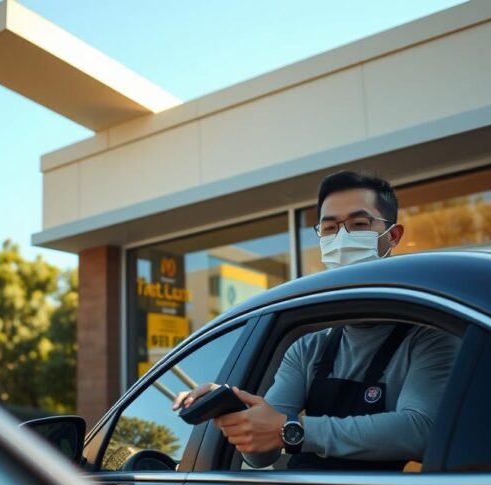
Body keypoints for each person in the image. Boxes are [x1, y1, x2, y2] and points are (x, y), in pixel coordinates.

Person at [172, 171, 461, 470]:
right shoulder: (307, 349)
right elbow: (261, 455)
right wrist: (238, 412)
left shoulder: (430, 338)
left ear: (393, 236)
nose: (342, 238)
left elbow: (421, 431)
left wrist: (292, 431)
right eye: (330, 228)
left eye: (359, 225)